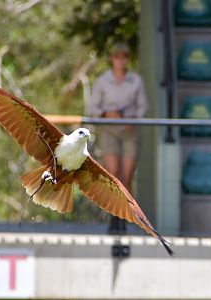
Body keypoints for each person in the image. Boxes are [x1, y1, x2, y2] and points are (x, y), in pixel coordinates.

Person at [87, 42, 148, 233]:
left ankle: (125, 217)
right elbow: (92, 109)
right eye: (117, 57)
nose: (121, 61)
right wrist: (107, 114)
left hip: (130, 130)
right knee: (113, 174)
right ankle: (114, 217)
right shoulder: (103, 81)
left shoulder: (135, 80)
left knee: (127, 176)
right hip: (109, 131)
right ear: (112, 59)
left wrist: (133, 119)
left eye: (124, 57)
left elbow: (142, 107)